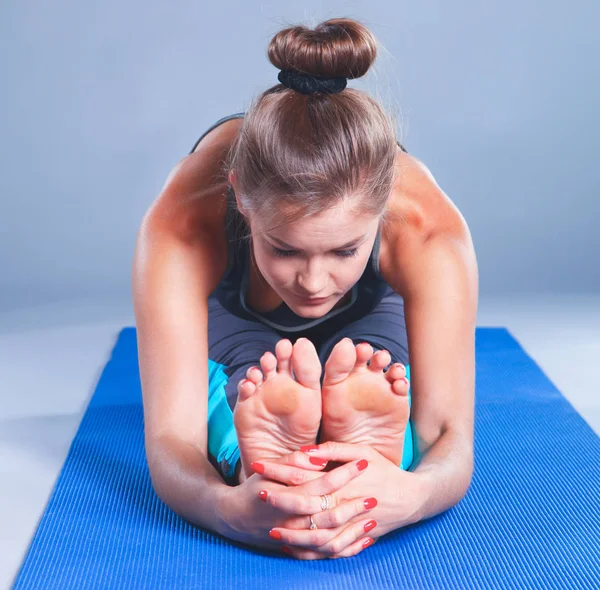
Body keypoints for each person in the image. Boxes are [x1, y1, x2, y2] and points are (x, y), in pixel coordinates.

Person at [132, 17, 478, 561]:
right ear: (240, 198)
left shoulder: (428, 232)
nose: (315, 283)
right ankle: (258, 463)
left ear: (384, 208)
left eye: (344, 250)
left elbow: (449, 437)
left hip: (369, 317)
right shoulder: (181, 224)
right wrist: (230, 510)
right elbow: (172, 442)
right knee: (247, 385)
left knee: (382, 376)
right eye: (285, 249)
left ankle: (366, 456)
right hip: (237, 318)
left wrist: (410, 497)